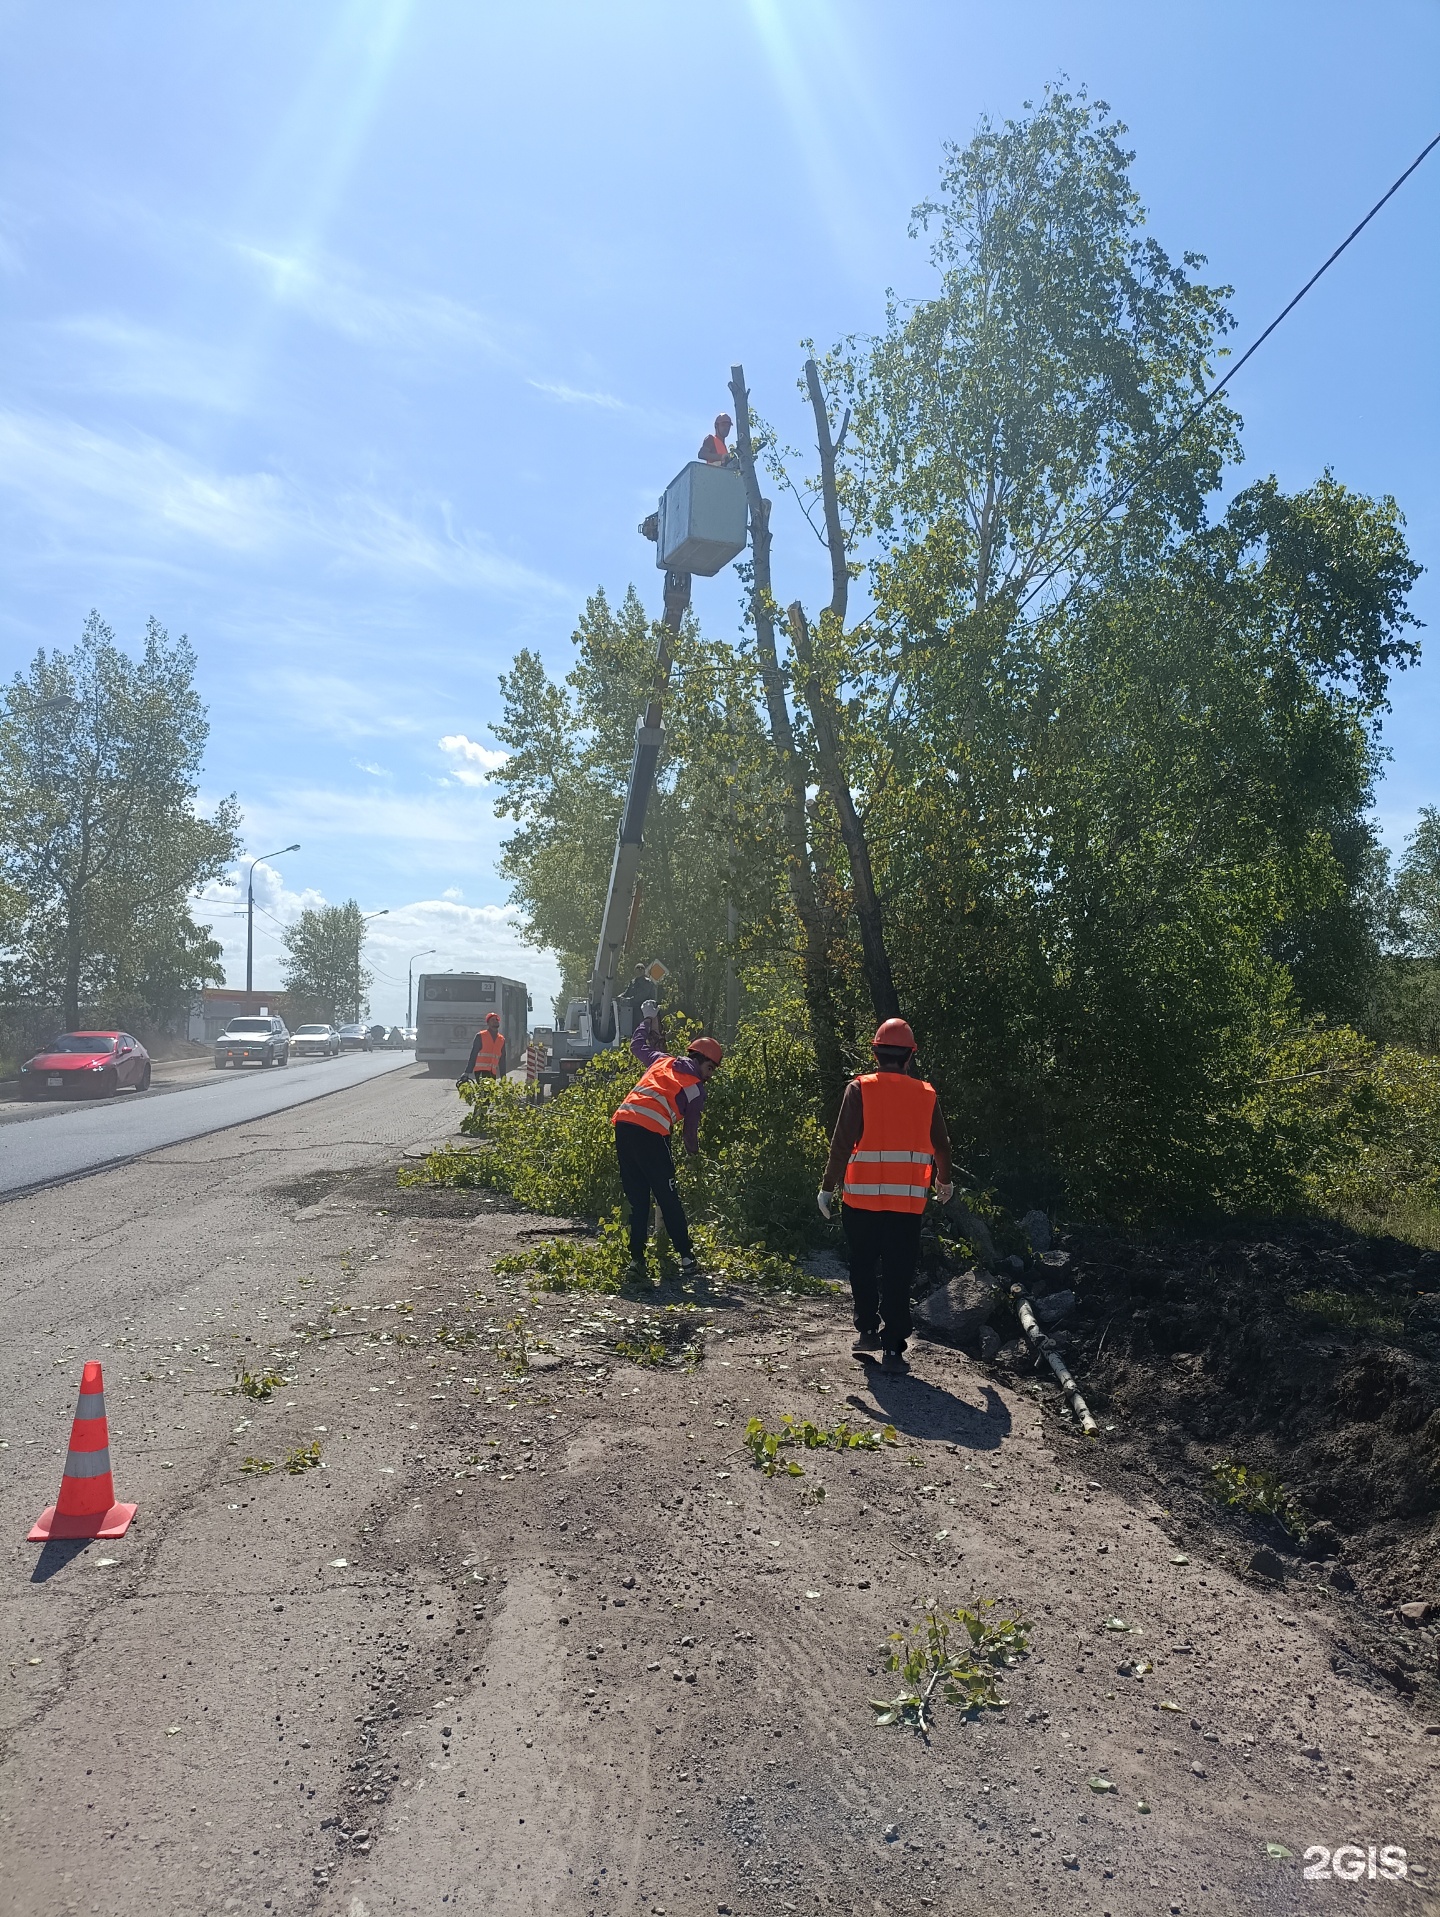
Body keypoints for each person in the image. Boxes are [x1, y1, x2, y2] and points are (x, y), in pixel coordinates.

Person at [817, 1017, 954, 1376]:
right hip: (906, 1205)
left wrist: (828, 1187)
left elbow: (842, 1143)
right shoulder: (926, 1094)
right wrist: (945, 1181)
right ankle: (894, 1348)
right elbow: (942, 1145)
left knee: (862, 1265)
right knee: (898, 1272)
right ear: (909, 1056)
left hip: (860, 1201)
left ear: (875, 1053)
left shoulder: (859, 1089)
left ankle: (866, 1331)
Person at [612, 1001, 723, 1281]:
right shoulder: (696, 1090)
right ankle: (686, 1258)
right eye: (710, 1068)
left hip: (624, 1125)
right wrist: (694, 1156)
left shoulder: (662, 1060)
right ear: (698, 1059)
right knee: (668, 1198)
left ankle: (636, 1261)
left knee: (638, 1200)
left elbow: (637, 1046)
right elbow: (690, 1133)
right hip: (650, 1134)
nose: (710, 1075)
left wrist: (646, 1020)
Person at [461, 1011, 506, 1083]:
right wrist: (467, 1072)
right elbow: (473, 1055)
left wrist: (503, 1077)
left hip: (492, 1072)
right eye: (493, 1020)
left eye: (496, 1020)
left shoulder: (501, 1039)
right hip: (481, 1071)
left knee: (490, 1092)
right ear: (488, 1023)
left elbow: (502, 1060)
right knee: (484, 1092)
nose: (495, 1021)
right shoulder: (480, 1036)